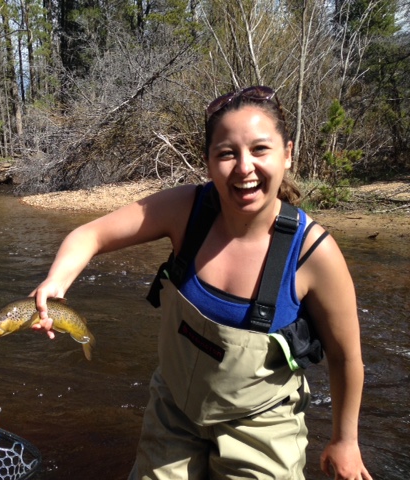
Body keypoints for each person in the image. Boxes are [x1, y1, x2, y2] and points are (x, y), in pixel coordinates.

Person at [31, 86, 371, 479]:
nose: (244, 167)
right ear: (208, 162)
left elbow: (347, 359)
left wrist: (346, 441)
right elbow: (89, 236)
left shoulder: (314, 254)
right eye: (226, 153)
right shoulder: (185, 211)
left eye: (260, 150)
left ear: (288, 154)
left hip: (262, 427)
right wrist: (56, 282)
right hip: (173, 411)